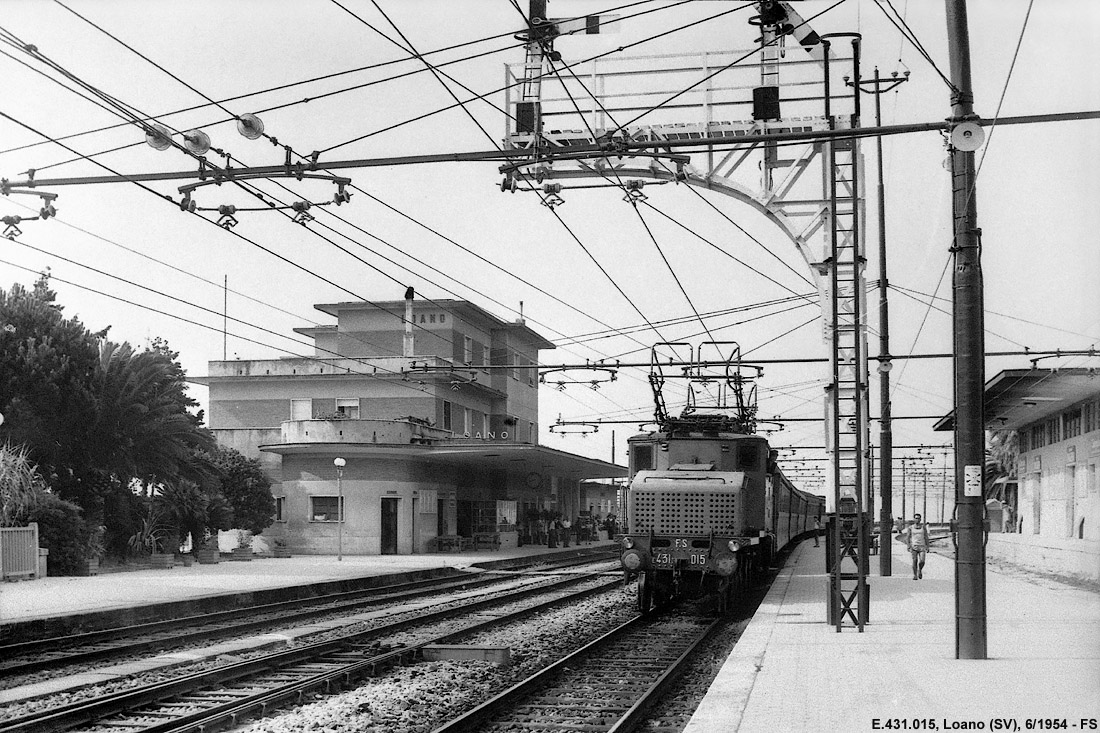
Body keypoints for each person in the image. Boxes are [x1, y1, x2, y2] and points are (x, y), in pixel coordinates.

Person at [906, 513, 930, 580]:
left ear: (920, 519)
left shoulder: (923, 527)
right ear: (914, 519)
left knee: (922, 561)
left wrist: (927, 546)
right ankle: (915, 575)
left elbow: (926, 537)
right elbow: (908, 537)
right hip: (914, 546)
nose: (917, 519)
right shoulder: (910, 528)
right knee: (914, 560)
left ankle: (920, 570)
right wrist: (908, 546)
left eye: (918, 518)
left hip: (922, 546)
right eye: (916, 518)